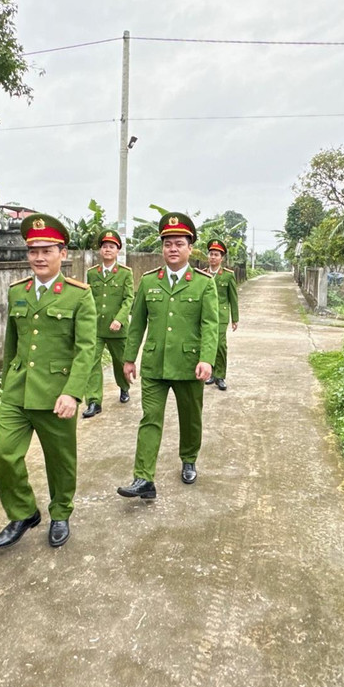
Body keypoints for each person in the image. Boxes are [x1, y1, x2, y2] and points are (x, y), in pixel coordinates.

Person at [0, 214, 98, 549]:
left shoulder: (79, 295)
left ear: (62, 254)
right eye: (33, 250)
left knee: (60, 459)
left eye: (47, 250)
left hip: (56, 394)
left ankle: (61, 512)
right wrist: (8, 383)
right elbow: (12, 343)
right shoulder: (17, 292)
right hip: (18, 391)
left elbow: (86, 350)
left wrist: (73, 393)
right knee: (3, 453)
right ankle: (23, 512)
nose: (39, 257)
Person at [116, 212, 219, 500]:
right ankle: (143, 478)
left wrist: (207, 358)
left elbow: (210, 324)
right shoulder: (149, 282)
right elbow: (137, 323)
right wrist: (128, 358)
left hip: (189, 365)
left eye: (178, 243)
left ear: (190, 248)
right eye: (167, 244)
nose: (172, 249)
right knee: (150, 418)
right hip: (154, 364)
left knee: (190, 418)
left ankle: (188, 458)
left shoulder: (203, 283)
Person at [82, 229, 135, 418]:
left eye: (111, 247)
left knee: (120, 361)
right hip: (95, 327)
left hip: (117, 329)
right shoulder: (92, 273)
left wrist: (119, 319)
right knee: (91, 363)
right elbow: (88, 300)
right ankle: (94, 401)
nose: (107, 250)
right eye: (104, 246)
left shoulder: (125, 273)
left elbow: (129, 299)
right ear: (100, 250)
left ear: (117, 251)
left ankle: (124, 387)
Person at [205, 240, 239, 391]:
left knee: (220, 345)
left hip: (221, 315)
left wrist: (235, 319)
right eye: (211, 254)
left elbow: (233, 298)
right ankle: (210, 373)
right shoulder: (203, 274)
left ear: (221, 258)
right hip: (205, 315)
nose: (213, 257)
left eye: (216, 255)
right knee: (208, 344)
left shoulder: (227, 276)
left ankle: (220, 376)